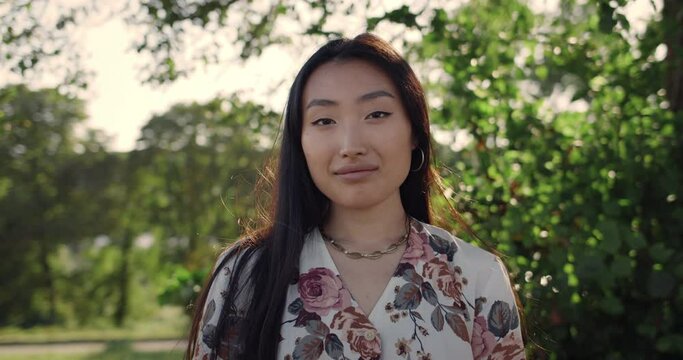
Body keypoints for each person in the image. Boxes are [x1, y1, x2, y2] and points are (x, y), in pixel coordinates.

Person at [187, 33, 525, 360]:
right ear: (299, 142)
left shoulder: (477, 276)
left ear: (414, 131)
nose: (351, 146)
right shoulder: (246, 273)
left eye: (376, 114)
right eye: (324, 120)